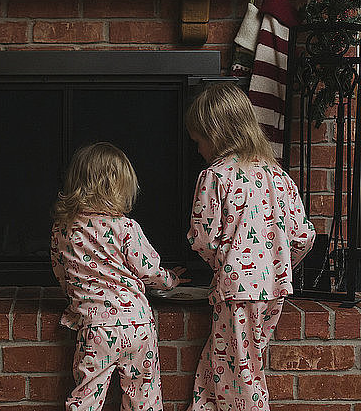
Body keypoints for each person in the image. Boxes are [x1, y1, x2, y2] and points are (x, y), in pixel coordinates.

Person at [185, 83, 316, 411]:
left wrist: (225, 263)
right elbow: (303, 235)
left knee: (244, 378)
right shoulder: (278, 176)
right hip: (273, 290)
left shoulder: (215, 176)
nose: (197, 148)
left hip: (238, 290)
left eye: (198, 140)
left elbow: (201, 237)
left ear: (214, 134)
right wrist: (275, 263)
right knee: (222, 365)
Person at [51, 142, 189, 411]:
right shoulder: (125, 228)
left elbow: (60, 270)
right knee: (143, 398)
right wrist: (170, 280)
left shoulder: (63, 229)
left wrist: (75, 296)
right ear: (118, 188)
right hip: (137, 325)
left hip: (95, 328)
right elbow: (149, 270)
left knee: (86, 397)